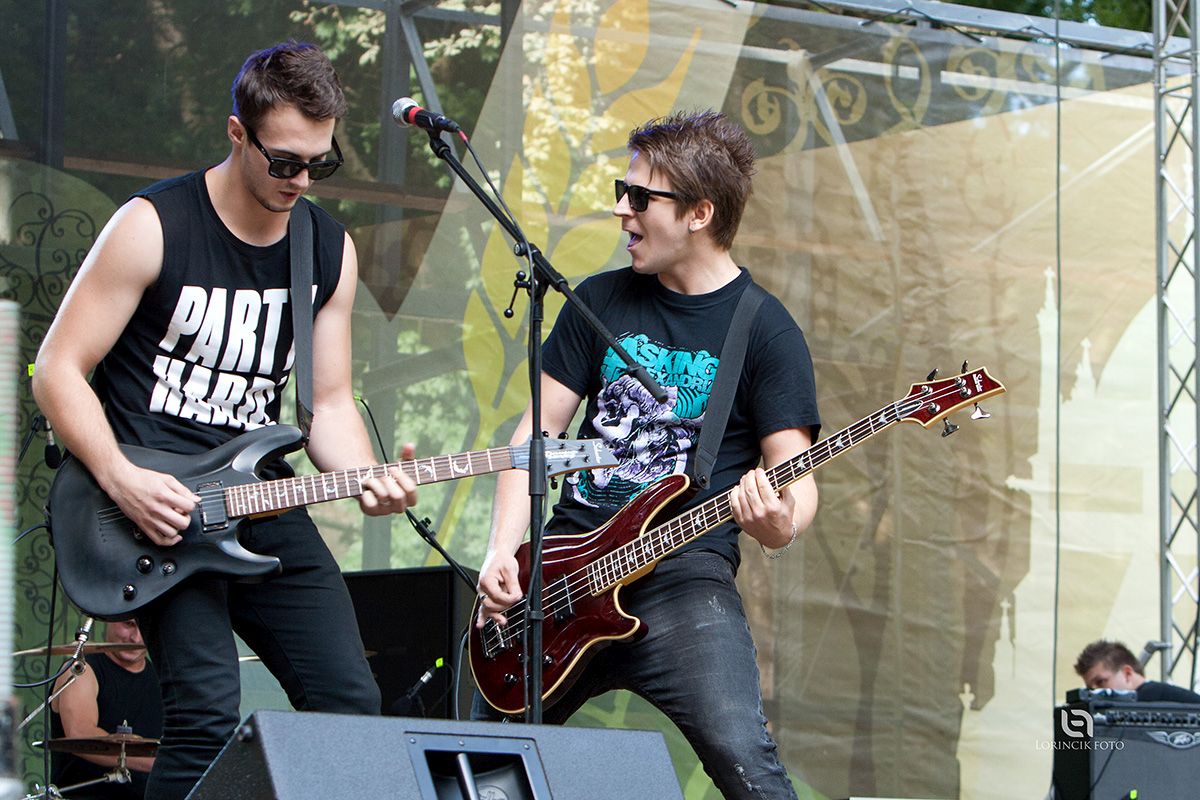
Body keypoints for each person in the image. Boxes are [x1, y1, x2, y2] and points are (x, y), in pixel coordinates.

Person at [33, 41, 418, 799]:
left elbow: (328, 404)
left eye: (319, 164)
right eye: (284, 162)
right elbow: (56, 369)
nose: (300, 181)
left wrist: (365, 477)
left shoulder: (325, 248)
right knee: (206, 715)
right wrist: (123, 478)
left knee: (351, 704)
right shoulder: (153, 225)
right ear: (237, 134)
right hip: (149, 506)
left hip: (258, 494)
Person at [474, 110, 820, 800]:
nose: (620, 210)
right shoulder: (599, 299)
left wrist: (778, 524)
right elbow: (532, 440)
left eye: (639, 197)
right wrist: (502, 553)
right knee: (469, 756)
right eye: (621, 191)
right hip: (562, 571)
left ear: (699, 213)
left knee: (746, 763)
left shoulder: (766, 330)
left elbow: (798, 484)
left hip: (681, 576)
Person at [50, 619, 163, 799]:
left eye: (145, 627)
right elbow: (80, 733)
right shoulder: (81, 669)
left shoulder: (163, 679)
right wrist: (164, 762)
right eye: (128, 625)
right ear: (110, 619)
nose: (136, 638)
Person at [1074, 639, 1200, 703]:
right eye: (1089, 689)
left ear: (1127, 673)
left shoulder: (1175, 698)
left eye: (1101, 682)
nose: (1094, 692)